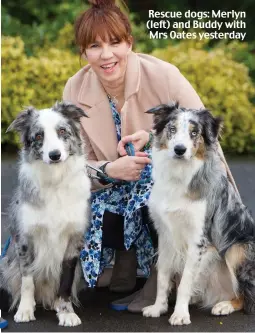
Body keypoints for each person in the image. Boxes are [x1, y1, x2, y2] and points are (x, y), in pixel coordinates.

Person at [63, 0, 239, 312]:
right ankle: (119, 263)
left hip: (168, 180)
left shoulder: (165, 76)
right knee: (83, 195)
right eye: (94, 45)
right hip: (109, 188)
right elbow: (73, 163)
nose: (106, 55)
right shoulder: (74, 90)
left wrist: (228, 210)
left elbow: (208, 143)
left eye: (115, 42)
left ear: (129, 43)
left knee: (155, 185)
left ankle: (158, 281)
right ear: (83, 51)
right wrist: (108, 169)